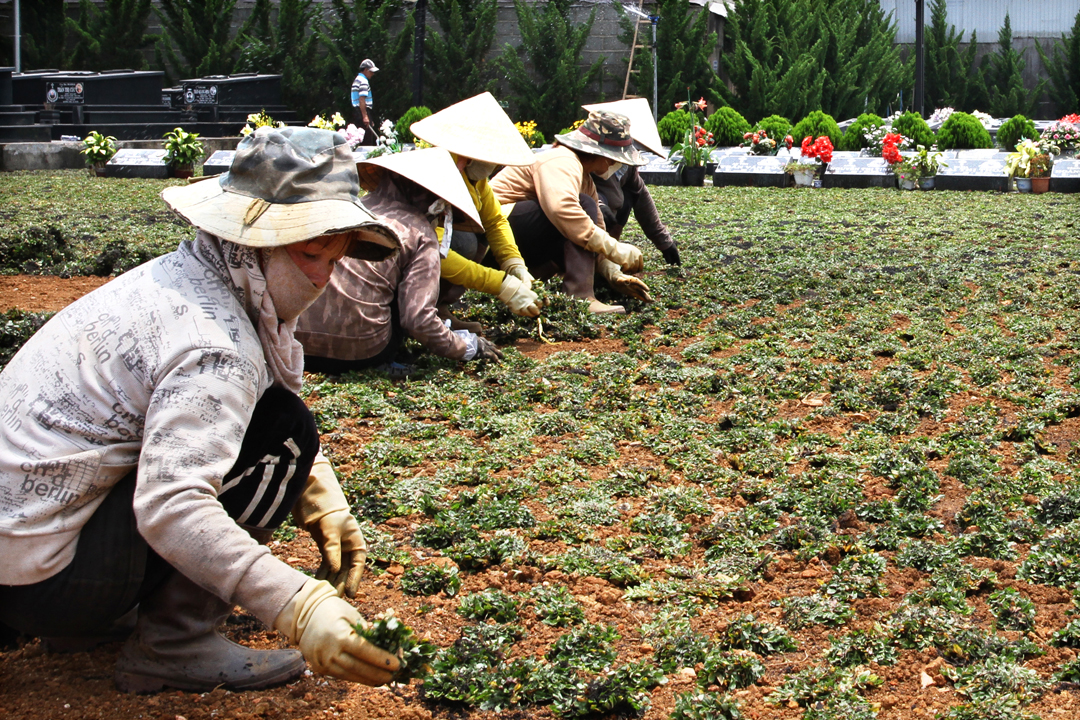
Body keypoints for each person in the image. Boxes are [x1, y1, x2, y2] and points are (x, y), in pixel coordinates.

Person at [0, 127, 405, 693]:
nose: (321, 277)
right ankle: (176, 643)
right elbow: (172, 504)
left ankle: (93, 619)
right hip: (49, 586)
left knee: (275, 421)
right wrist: (299, 604)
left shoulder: (182, 278)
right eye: (310, 251)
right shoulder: (213, 344)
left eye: (334, 259)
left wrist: (322, 497)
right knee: (285, 433)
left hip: (20, 564)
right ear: (252, 241)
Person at [296, 147, 506, 374]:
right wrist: (467, 347)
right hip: (363, 350)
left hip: (301, 348)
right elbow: (418, 319)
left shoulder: (355, 208)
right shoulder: (421, 233)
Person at [490, 110, 652, 314]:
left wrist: (613, 272)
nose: (616, 165)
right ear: (602, 154)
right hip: (492, 235)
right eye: (615, 158)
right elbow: (562, 208)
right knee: (581, 207)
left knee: (583, 216)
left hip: (516, 242)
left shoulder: (585, 179)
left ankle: (533, 286)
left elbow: (597, 228)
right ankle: (581, 296)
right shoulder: (562, 159)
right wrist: (616, 248)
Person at [408, 92, 542, 332]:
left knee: (476, 236)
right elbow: (430, 249)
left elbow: (494, 220)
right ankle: (420, 312)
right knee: (464, 242)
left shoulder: (474, 179)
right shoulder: (428, 177)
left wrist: (515, 264)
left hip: (428, 249)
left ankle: (440, 309)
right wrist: (500, 284)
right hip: (403, 260)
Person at [584, 98, 681, 266]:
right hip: (581, 225)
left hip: (608, 224)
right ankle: (593, 260)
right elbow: (578, 189)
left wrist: (664, 242)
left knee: (628, 196)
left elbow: (641, 196)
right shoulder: (587, 160)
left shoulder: (626, 168)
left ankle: (606, 256)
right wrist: (598, 205)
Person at [351, 59, 379, 146]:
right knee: (366, 139)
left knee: (362, 136)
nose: (372, 74)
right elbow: (362, 100)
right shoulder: (363, 81)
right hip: (362, 111)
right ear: (366, 70)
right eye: (371, 71)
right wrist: (365, 116)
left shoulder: (357, 79)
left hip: (359, 111)